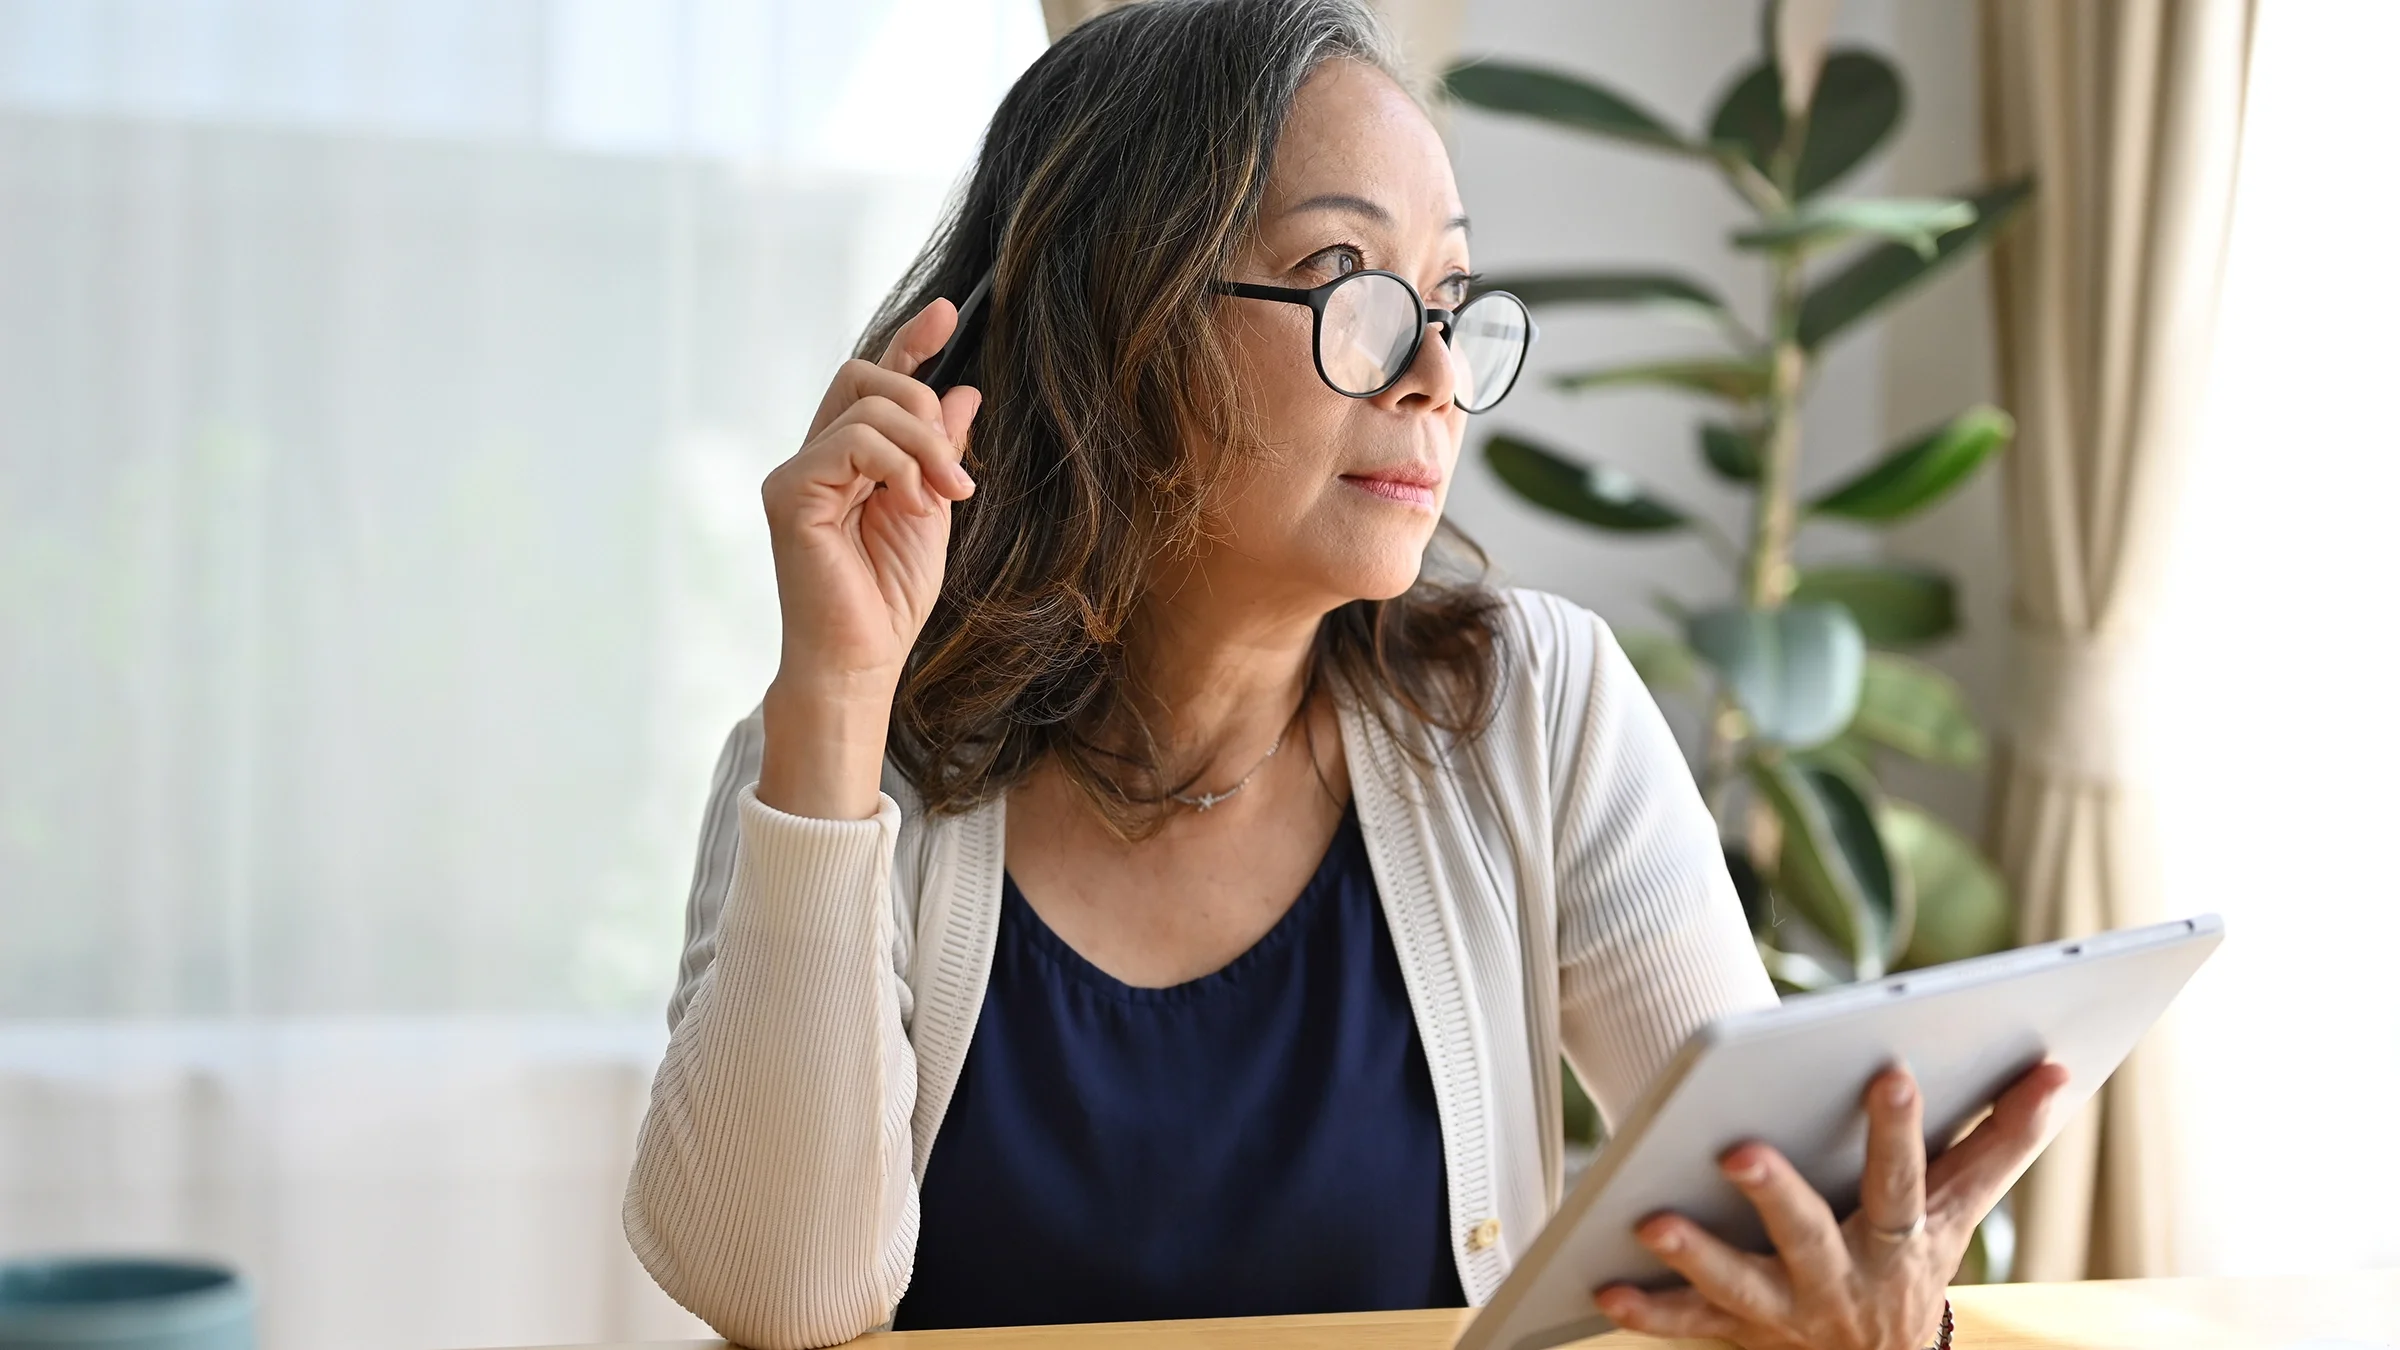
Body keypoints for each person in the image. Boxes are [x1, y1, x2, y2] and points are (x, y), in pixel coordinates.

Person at [622, 2, 2067, 1347]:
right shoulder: (836, 758)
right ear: (1125, 322)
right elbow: (782, 1298)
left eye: (1450, 296)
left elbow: (1784, 1224)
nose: (1435, 372)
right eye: (1353, 286)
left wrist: (1880, 1301)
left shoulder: (1534, 707)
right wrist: (838, 694)